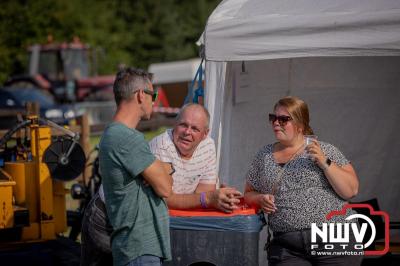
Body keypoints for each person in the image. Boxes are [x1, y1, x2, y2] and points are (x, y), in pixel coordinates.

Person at [244, 96, 362, 266]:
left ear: (300, 125)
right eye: (273, 118)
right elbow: (248, 193)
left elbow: (351, 190)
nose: (276, 123)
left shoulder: (325, 149)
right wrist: (260, 199)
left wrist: (324, 161)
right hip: (287, 246)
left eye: (283, 119)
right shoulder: (264, 155)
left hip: (335, 239)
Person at [81, 67, 173, 266]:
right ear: (141, 95)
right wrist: (163, 170)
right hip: (139, 249)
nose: (154, 100)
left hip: (137, 249)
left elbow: (161, 176)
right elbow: (165, 187)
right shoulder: (125, 138)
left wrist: (160, 170)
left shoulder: (115, 134)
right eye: (153, 95)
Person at [149, 103, 242, 211]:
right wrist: (209, 198)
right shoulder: (161, 146)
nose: (187, 132)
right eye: (183, 125)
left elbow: (203, 194)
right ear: (175, 124)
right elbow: (165, 199)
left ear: (205, 134)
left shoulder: (208, 146)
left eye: (194, 129)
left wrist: (221, 198)